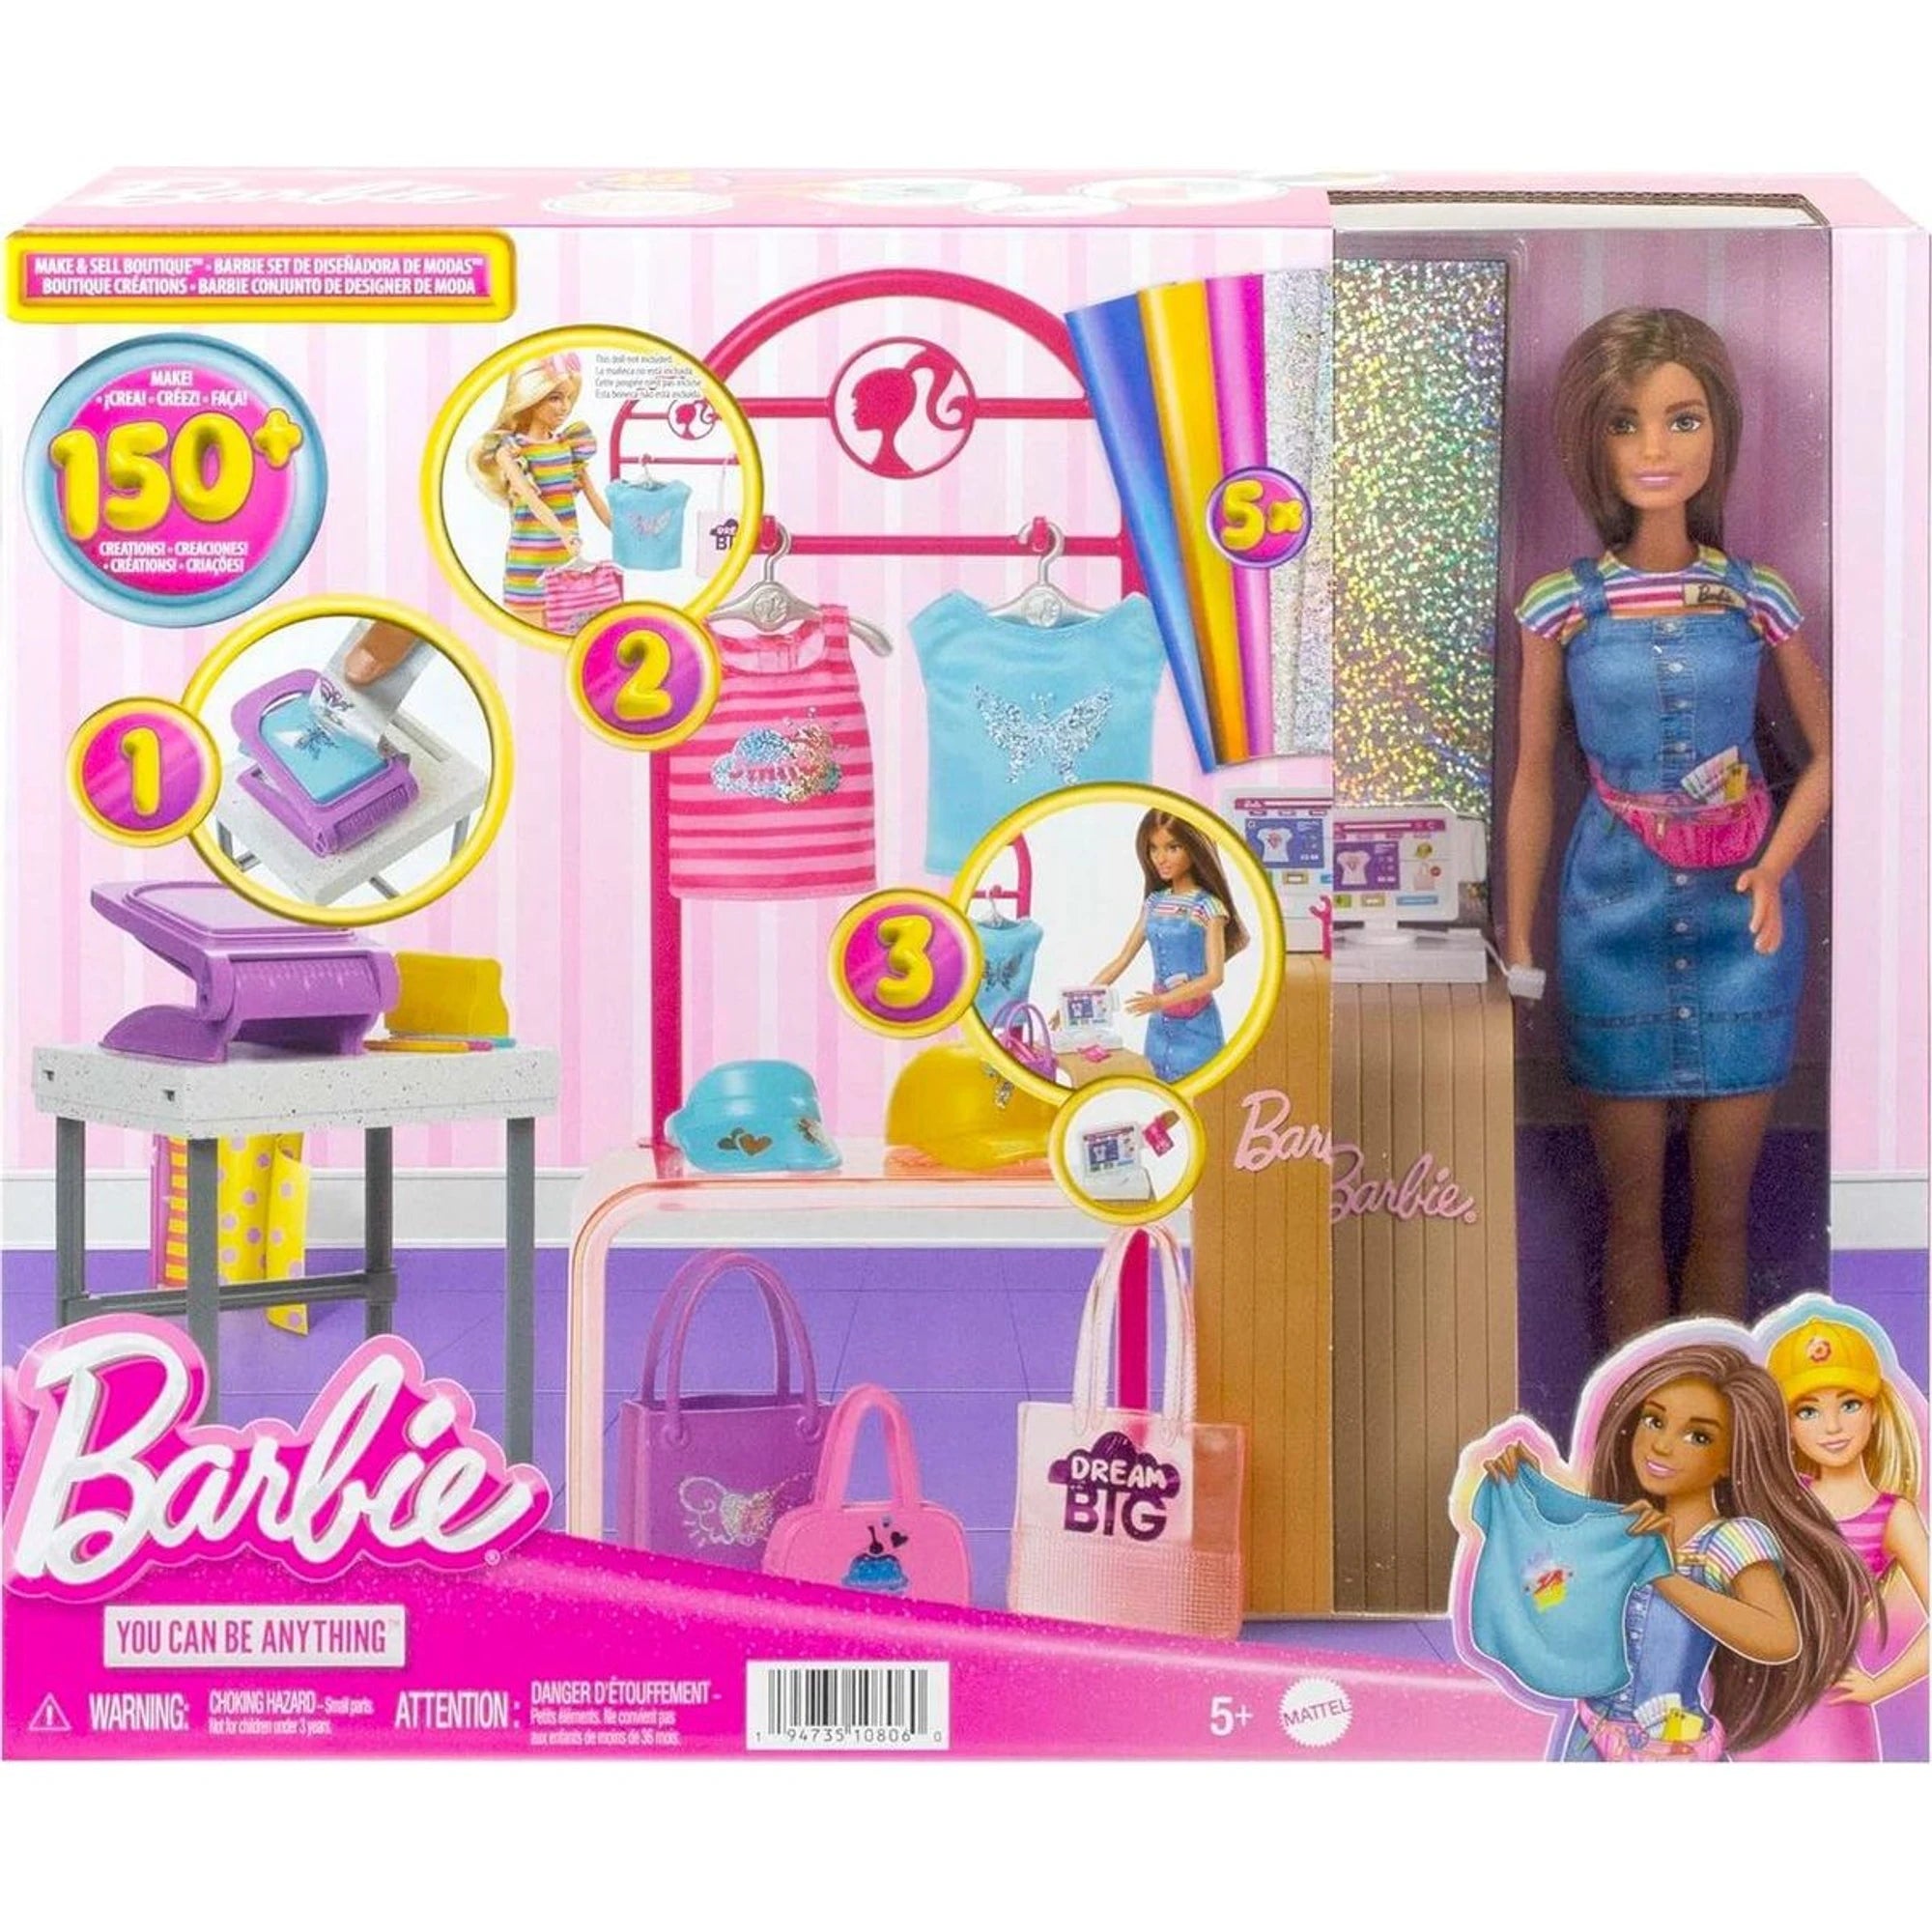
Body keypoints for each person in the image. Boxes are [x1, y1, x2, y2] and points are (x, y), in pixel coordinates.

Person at [1503, 309, 1833, 1341]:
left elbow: (1829, 757)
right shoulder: (1560, 605)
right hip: (1610, 914)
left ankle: (1721, 1419)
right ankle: (1630, 1421)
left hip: (1745, 917)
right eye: (1624, 423)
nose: (1654, 448)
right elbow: (1531, 778)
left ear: (1717, 429)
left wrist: (1773, 868)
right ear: (1590, 441)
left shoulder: (1756, 597)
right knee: (1631, 1218)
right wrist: (1517, 940)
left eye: (1681, 419)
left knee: (1725, 1217)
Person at [1486, 1340, 1873, 1759]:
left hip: (1673, 1749)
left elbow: (1779, 1637)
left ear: (1729, 1458)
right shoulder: (1626, 1530)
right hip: (1590, 1742)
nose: (1662, 1445)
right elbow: (1555, 1606)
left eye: (1697, 1436)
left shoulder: (1727, 1541)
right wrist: (1524, 1502)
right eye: (1654, 1421)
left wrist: (1665, 1577)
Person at [1749, 1312, 1928, 1758]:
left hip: (1831, 1712)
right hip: (1755, 1705)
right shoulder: (1780, 1498)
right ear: (1786, 1425)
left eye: (1849, 1405)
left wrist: (1879, 1686)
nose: (1832, 1427)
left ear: (1875, 1410)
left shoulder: (1892, 1516)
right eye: (1807, 1411)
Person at [1092, 810, 1249, 1084]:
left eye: (1172, 848)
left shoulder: (1208, 907)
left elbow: (1215, 977)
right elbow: (1123, 958)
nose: (1160, 858)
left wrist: (1161, 1001)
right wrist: (1076, 1000)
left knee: (1199, 1090)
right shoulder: (1154, 902)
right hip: (1160, 1023)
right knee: (1158, 1085)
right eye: (1153, 848)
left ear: (1195, 849)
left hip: (1196, 1022)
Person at [466, 352, 611, 623]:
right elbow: (532, 500)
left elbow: (595, 498)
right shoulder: (510, 451)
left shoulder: (570, 446)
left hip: (568, 566)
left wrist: (623, 533)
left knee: (568, 636)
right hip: (528, 566)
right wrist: (564, 534)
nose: (564, 407)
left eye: (568, 398)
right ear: (531, 399)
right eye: (555, 398)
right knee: (532, 639)